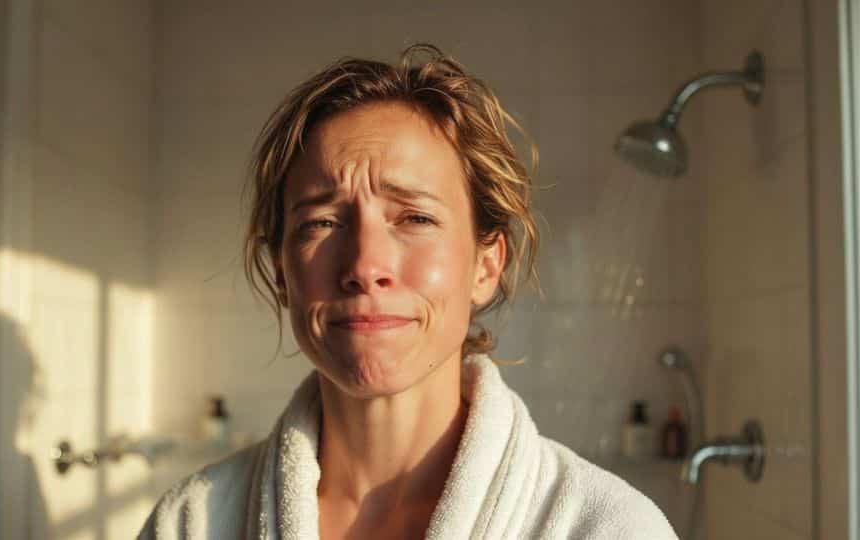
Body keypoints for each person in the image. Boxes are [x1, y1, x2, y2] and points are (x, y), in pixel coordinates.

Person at [139, 43, 678, 539]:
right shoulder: (192, 521)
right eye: (322, 223)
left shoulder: (610, 527)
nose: (365, 266)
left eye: (415, 217)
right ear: (280, 271)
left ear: (486, 265)